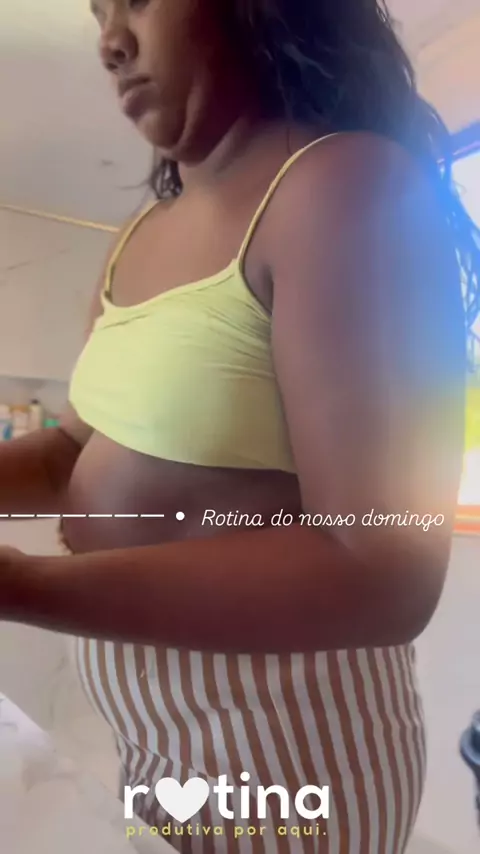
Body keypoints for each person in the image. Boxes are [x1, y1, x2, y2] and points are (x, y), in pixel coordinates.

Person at [1, 0, 479, 851]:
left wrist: (20, 584)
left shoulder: (345, 183)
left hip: (287, 744)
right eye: (99, 13)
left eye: (136, 0)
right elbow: (76, 449)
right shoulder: (138, 237)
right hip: (151, 728)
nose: (110, 43)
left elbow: (382, 570)